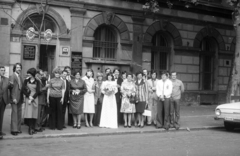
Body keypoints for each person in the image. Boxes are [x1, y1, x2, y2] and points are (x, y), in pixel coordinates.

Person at [22, 68, 40, 135]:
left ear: (33, 74)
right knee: (29, 114)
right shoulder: (26, 81)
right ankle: (30, 129)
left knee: (34, 113)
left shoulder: (37, 81)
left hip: (35, 98)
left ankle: (33, 128)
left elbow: (38, 91)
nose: (28, 74)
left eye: (29, 73)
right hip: (28, 97)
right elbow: (23, 90)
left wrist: (32, 98)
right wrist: (28, 96)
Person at [9, 63, 24, 136]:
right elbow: (11, 89)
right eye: (17, 67)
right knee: (14, 114)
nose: (19, 68)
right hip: (14, 98)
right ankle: (13, 130)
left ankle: (18, 129)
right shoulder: (12, 76)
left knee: (19, 113)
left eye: (20, 67)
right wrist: (13, 98)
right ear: (14, 68)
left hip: (20, 98)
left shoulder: (20, 76)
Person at [0, 66, 11, 139]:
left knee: (1, 116)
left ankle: (0, 131)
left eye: (4, 70)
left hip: (3, 100)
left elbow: (10, 87)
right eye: (1, 70)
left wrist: (11, 85)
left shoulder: (7, 79)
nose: (2, 71)